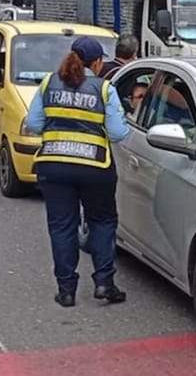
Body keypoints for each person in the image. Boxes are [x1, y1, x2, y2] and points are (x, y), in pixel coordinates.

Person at [25, 36, 130, 307]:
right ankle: (104, 283)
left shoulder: (49, 83)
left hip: (54, 166)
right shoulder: (104, 89)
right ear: (96, 62)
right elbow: (118, 133)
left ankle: (66, 290)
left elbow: (34, 124)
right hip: (95, 168)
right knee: (102, 222)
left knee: (62, 226)